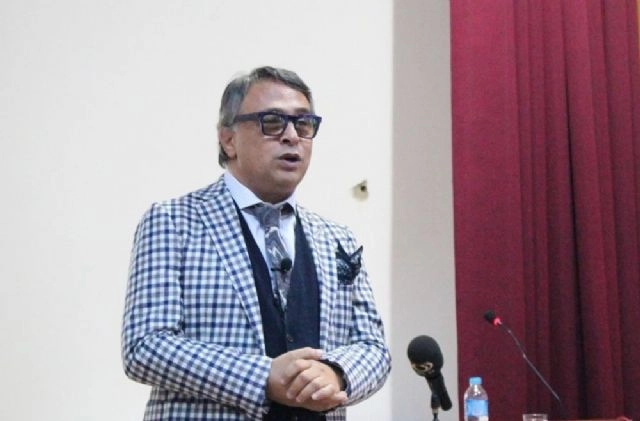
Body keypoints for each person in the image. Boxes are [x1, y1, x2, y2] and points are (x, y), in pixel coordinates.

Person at [121, 66, 391, 421]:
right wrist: (262, 377)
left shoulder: (337, 237)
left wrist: (336, 372)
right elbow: (144, 346)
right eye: (273, 122)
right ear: (228, 140)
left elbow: (374, 348)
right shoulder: (173, 222)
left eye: (303, 124)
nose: (292, 136)